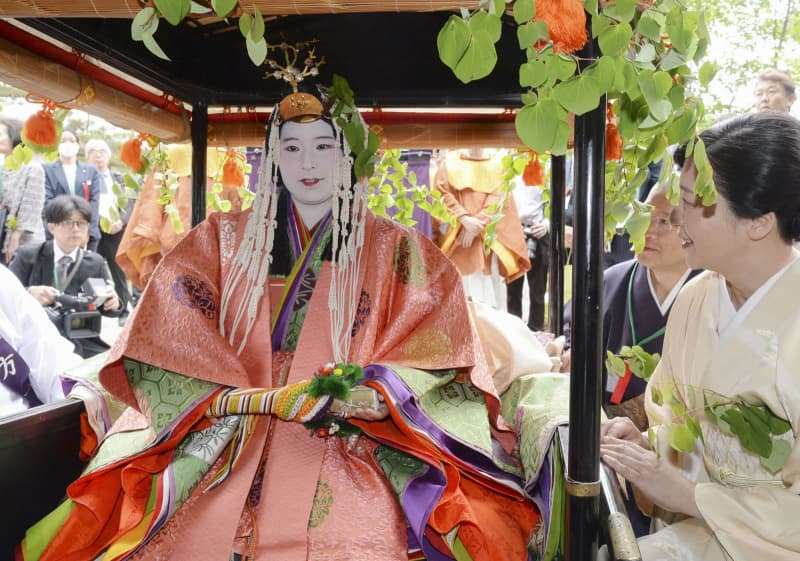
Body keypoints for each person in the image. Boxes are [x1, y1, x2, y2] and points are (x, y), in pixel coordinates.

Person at [18, 83, 541, 561]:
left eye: (323, 147)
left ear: (348, 156)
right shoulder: (219, 241)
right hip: (224, 425)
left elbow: (441, 351)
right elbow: (167, 334)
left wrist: (378, 394)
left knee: (357, 539)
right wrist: (236, 397)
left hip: (351, 432)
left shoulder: (401, 252)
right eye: (291, 147)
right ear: (272, 158)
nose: (306, 163)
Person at [600, 112, 800, 560]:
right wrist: (648, 453)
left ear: (759, 222)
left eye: (692, 202)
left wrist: (693, 498)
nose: (678, 217)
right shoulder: (697, 298)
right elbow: (675, 424)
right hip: (693, 536)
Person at [9, 195, 121, 358]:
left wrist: (114, 303)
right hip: (37, 338)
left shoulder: (95, 261)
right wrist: (29, 293)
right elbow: (6, 296)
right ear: (51, 227)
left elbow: (107, 309)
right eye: (68, 223)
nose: (75, 229)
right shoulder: (28, 255)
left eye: (81, 223)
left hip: (81, 338)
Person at [435, 148, 530, 311]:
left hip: (487, 240)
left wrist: (474, 226)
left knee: (489, 293)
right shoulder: (449, 163)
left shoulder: (499, 164)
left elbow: (499, 198)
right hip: (459, 239)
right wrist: (463, 218)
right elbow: (442, 193)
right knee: (461, 294)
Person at [0, 264, 82, 416]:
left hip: (22, 427)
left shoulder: (3, 281)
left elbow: (51, 362)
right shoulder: (29, 254)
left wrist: (83, 398)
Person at [85, 138, 134, 325]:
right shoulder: (85, 178)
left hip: (115, 231)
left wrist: (121, 221)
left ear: (108, 156)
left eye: (102, 151)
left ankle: (123, 309)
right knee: (90, 269)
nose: (98, 155)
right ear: (88, 156)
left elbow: (129, 203)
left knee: (118, 270)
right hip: (93, 230)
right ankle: (92, 309)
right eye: (93, 151)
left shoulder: (119, 179)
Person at [42, 130, 102, 251]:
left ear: (78, 145)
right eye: (63, 141)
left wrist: (86, 230)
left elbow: (94, 202)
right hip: (58, 229)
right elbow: (48, 201)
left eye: (72, 140)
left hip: (86, 233)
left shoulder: (91, 171)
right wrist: (67, 225)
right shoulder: (46, 169)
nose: (67, 144)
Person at [0, 117, 45, 264]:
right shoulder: (2, 167)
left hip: (24, 239)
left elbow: (32, 206)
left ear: (14, 136)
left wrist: (15, 236)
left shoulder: (32, 168)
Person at [507, 174, 549, 331]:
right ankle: (514, 332)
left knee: (538, 290)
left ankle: (536, 332)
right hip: (515, 232)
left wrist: (546, 225)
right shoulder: (510, 170)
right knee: (513, 290)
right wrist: (512, 225)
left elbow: (554, 204)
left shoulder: (544, 169)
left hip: (538, 232)